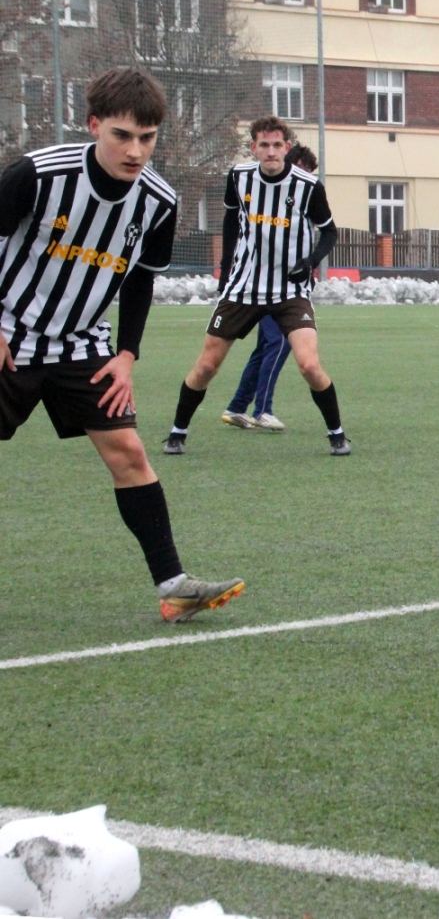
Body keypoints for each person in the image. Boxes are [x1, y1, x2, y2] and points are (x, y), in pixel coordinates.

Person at [0, 69, 244, 622]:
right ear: (94, 126)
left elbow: (138, 283)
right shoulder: (37, 175)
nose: (136, 151)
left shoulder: (158, 201)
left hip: (83, 345)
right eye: (122, 136)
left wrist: (127, 356)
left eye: (147, 137)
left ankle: (175, 588)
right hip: (10, 335)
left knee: (129, 453)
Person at [164, 117, 347, 455]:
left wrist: (310, 262)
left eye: (277, 145)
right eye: (264, 145)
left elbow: (330, 232)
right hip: (243, 286)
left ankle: (337, 434)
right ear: (253, 148)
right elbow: (231, 221)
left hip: (290, 290)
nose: (271, 151)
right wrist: (225, 268)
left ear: (286, 148)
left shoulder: (308, 186)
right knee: (207, 365)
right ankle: (177, 433)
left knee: (309, 365)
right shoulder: (239, 177)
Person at [219, 143, 319, 432]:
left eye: (308, 173)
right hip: (265, 287)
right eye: (300, 170)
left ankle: (237, 407)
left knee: (266, 347)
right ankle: (263, 410)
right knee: (279, 343)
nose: (303, 178)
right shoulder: (265, 199)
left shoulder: (303, 199)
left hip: (287, 289)